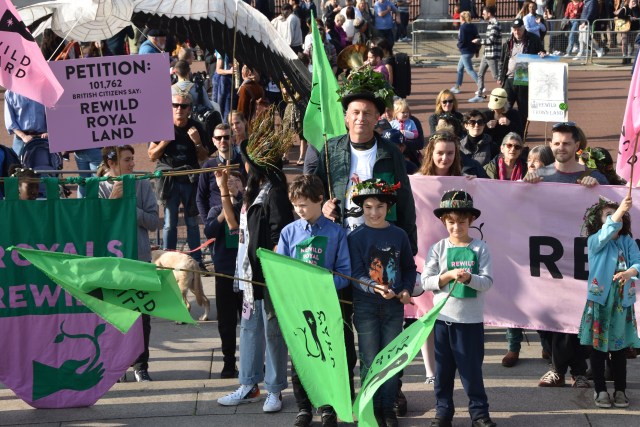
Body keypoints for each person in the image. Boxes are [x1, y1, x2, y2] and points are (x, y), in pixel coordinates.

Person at [309, 67, 417, 417]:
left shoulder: (390, 152)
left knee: (387, 333)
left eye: (367, 113)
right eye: (354, 112)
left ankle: (389, 396)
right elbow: (312, 195)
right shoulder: (331, 150)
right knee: (345, 332)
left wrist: (408, 253)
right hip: (342, 251)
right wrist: (323, 206)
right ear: (344, 117)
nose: (360, 118)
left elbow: (407, 202)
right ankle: (345, 398)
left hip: (382, 251)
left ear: (378, 117)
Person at [217, 107, 294, 413]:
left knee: (273, 332)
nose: (244, 164)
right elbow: (237, 228)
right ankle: (249, 383)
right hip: (249, 275)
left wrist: (275, 271)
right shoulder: (254, 190)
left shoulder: (274, 192)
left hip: (268, 276)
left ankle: (275, 388)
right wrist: (225, 191)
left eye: (248, 160)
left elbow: (279, 235)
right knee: (249, 329)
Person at [523, 122, 608, 387]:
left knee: (581, 313)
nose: (561, 148)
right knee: (552, 314)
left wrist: (597, 188)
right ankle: (563, 369)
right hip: (549, 256)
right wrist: (524, 183)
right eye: (556, 143)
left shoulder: (595, 178)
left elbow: (612, 212)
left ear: (577, 146)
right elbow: (510, 203)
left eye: (566, 143)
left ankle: (574, 371)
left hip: (583, 256)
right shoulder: (541, 175)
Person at [277, 174, 351, 427]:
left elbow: (345, 274)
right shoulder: (289, 232)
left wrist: (320, 284)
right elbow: (282, 271)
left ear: (320, 200)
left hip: (327, 306)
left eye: (304, 204)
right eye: (295, 205)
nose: (299, 210)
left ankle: (328, 407)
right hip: (298, 306)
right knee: (301, 356)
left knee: (329, 355)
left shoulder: (336, 233)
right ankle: (303, 407)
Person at [422, 190, 496, 427]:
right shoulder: (437, 249)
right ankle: (442, 412)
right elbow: (426, 281)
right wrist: (446, 276)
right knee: (442, 374)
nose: (456, 227)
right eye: (451, 222)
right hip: (443, 321)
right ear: (444, 222)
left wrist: (468, 278)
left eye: (461, 222)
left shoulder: (480, 248)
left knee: (471, 372)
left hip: (470, 322)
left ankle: (479, 414)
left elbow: (487, 282)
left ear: (471, 221)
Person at [348, 178, 416, 427]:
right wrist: (374, 287)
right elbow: (355, 273)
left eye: (379, 206)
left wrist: (405, 288)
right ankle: (370, 405)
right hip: (365, 306)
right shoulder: (355, 237)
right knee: (368, 358)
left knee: (390, 359)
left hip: (393, 307)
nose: (374, 212)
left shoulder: (399, 235)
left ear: (388, 207)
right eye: (368, 207)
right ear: (361, 208)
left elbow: (409, 268)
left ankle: (387, 407)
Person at [97, 145, 160, 382]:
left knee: (141, 315)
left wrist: (129, 208)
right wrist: (113, 203)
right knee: (115, 315)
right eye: (127, 160)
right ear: (112, 163)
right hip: (112, 263)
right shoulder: (98, 187)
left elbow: (154, 221)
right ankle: (116, 365)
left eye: (133, 159)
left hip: (139, 258)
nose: (133, 164)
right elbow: (96, 226)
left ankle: (141, 364)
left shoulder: (142, 184)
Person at [578, 195, 640, 408]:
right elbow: (605, 233)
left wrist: (630, 272)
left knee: (619, 351)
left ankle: (621, 390)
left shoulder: (628, 242)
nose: (616, 218)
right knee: (598, 349)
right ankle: (600, 390)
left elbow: (638, 263)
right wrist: (620, 210)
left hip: (621, 305)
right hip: (601, 304)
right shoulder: (595, 241)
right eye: (610, 215)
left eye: (620, 215)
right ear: (598, 221)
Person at [197, 123, 246, 379]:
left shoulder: (243, 161)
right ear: (213, 140)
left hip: (246, 260)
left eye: (228, 136)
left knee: (248, 315)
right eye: (219, 137)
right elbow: (200, 198)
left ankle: (251, 359)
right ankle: (229, 360)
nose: (224, 141)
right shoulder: (208, 167)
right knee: (226, 316)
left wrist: (241, 193)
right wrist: (212, 219)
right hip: (224, 258)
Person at [148, 93, 212, 269]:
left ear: (190, 109)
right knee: (169, 223)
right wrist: (164, 143)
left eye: (183, 106)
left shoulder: (197, 127)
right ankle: (167, 262)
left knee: (192, 222)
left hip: (190, 180)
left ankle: (197, 261)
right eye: (175, 105)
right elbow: (152, 155)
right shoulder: (162, 126)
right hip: (169, 181)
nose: (179, 109)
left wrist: (197, 142)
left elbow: (205, 157)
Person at [498, 18, 546, 125]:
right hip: (509, 77)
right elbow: (502, 60)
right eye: (514, 30)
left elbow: (542, 51)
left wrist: (542, 53)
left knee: (523, 107)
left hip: (522, 75)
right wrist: (501, 76)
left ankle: (522, 131)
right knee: (504, 105)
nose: (517, 32)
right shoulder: (508, 42)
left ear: (523, 28)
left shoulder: (533, 39)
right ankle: (505, 129)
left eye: (519, 29)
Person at [469, 5, 502, 103]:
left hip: (492, 55)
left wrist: (479, 41)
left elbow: (491, 40)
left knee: (496, 76)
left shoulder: (495, 24)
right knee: (480, 74)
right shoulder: (491, 23)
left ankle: (508, 90)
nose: (482, 14)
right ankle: (479, 94)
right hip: (487, 53)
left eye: (483, 12)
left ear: (489, 13)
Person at [3, 90, 47, 157]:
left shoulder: (44, 91)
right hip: (21, 139)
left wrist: (49, 132)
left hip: (43, 138)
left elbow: (54, 113)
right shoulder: (10, 93)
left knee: (47, 164)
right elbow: (10, 121)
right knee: (16, 164)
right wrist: (23, 136)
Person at [451, 11, 479, 95]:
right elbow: (477, 36)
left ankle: (480, 85)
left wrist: (459, 46)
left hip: (465, 51)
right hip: (471, 50)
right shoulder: (473, 26)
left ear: (462, 18)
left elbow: (462, 40)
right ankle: (457, 86)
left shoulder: (463, 27)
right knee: (459, 68)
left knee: (469, 69)